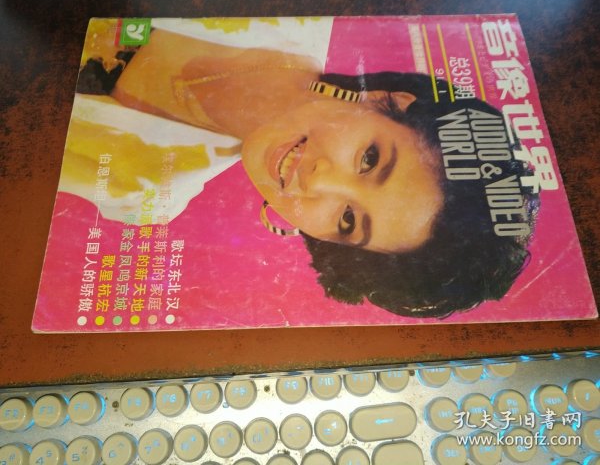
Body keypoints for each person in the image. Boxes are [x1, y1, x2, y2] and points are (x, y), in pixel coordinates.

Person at [74, 26, 539, 319]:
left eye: (348, 220)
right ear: (389, 102)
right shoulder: (286, 3)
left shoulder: (139, 192)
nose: (317, 181)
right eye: (369, 159)